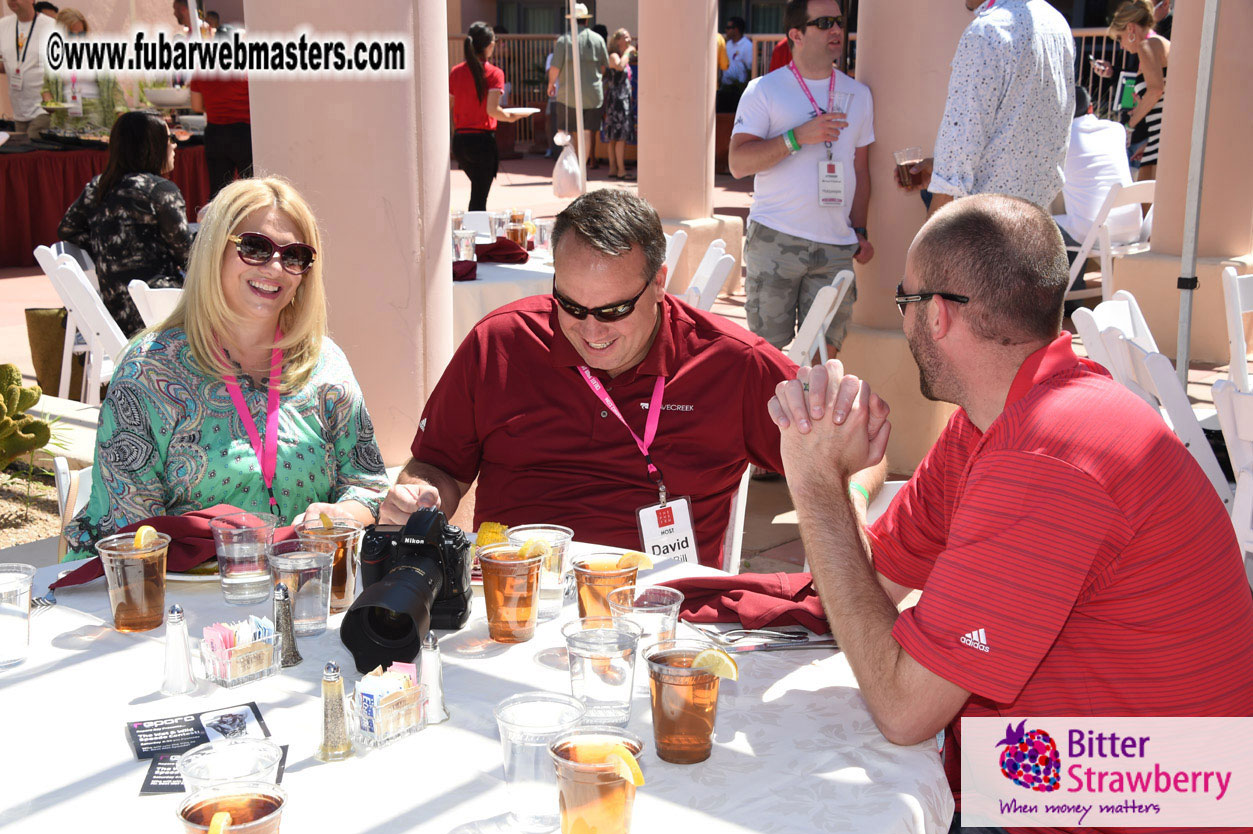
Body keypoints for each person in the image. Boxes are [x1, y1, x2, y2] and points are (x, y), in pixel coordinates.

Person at [769, 194, 1253, 833]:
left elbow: (904, 708)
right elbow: (865, 588)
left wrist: (816, 485)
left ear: (937, 314)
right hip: (1078, 776)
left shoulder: (1046, 457)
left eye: (904, 300)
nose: (906, 316)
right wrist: (850, 483)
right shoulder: (996, 418)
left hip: (1153, 802)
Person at [380, 189, 799, 569]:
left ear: (658, 283)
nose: (592, 332)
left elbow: (847, 463)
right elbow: (438, 467)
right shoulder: (502, 342)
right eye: (571, 306)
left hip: (659, 611)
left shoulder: (732, 362)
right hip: (516, 599)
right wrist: (420, 497)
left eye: (614, 310)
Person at [63, 177, 389, 560]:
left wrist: (341, 514)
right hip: (177, 597)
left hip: (301, 589)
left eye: (294, 255)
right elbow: (131, 534)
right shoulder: (149, 372)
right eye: (254, 247)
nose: (275, 267)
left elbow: (367, 485)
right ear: (214, 250)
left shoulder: (324, 364)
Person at [729, 0, 874, 361]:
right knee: (767, 358)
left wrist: (861, 231)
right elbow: (737, 162)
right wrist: (797, 137)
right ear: (796, 34)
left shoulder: (858, 95)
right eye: (824, 23)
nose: (837, 30)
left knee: (822, 358)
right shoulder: (764, 90)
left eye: (839, 21)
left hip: (835, 247)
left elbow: (860, 169)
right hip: (777, 238)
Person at [895, 0, 1073, 214]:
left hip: (983, 225)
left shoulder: (986, 32)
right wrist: (939, 166)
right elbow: (1022, 131)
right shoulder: (1056, 23)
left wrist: (931, 242)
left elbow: (957, 156)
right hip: (1033, 221)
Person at [58, 111, 191, 337]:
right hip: (158, 309)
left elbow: (68, 229)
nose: (174, 146)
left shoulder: (99, 187)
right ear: (153, 145)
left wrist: (111, 246)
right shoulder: (160, 191)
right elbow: (189, 257)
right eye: (170, 139)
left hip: (114, 313)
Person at [449, 21, 524, 212]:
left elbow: (449, 105)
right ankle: (476, 239)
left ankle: (475, 237)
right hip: (482, 142)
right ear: (489, 44)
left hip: (460, 141)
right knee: (479, 200)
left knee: (477, 193)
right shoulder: (494, 73)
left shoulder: (456, 72)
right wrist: (511, 117)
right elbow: (492, 110)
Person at [1092, 0, 1169, 183]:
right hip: (1157, 137)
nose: (1121, 46)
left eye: (1120, 38)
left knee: (1149, 206)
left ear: (1131, 29)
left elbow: (1156, 90)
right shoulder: (1155, 43)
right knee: (1147, 206)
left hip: (1161, 139)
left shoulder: (1147, 46)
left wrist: (1129, 126)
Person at [40, 9, 127, 134]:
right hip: (65, 114)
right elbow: (46, 87)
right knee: (68, 149)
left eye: (80, 34)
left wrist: (121, 113)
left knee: (92, 146)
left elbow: (113, 87)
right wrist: (49, 102)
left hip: (94, 111)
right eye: (71, 34)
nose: (76, 38)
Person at [547, 3, 609, 170]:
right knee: (587, 132)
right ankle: (581, 170)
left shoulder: (563, 40)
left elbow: (554, 68)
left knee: (566, 131)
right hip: (593, 95)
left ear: (571, 21)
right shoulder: (598, 39)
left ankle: (571, 169)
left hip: (568, 94)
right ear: (586, 21)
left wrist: (551, 84)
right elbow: (604, 67)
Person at [190, 64, 253, 199]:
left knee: (218, 191)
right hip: (245, 133)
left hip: (215, 132)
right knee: (254, 188)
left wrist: (217, 107)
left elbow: (196, 106)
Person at [0, 0, 56, 140]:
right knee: (22, 155)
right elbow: (4, 65)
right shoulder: (3, 25)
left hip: (44, 110)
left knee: (32, 145)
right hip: (19, 111)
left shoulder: (51, 26)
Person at [601, 28, 636, 181]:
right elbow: (620, 66)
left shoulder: (624, 55)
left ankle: (614, 168)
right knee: (617, 136)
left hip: (623, 99)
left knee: (616, 136)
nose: (629, 40)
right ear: (617, 40)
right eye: (625, 37)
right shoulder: (614, 56)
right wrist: (629, 52)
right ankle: (619, 169)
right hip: (617, 101)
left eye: (629, 37)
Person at [716, 16, 752, 113]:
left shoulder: (747, 45)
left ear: (736, 30)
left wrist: (744, 86)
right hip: (725, 88)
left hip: (738, 90)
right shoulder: (727, 44)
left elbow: (750, 69)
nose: (725, 30)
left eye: (728, 28)